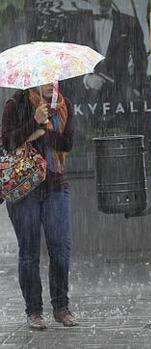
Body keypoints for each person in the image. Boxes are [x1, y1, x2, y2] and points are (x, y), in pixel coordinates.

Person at [1, 83, 77, 330]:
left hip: (56, 185)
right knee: (29, 253)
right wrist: (34, 121)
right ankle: (34, 310)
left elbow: (67, 143)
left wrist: (43, 132)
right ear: (33, 81)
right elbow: (8, 142)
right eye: (45, 79)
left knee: (61, 251)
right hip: (24, 189)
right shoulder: (15, 105)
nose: (50, 84)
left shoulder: (63, 106)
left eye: (53, 78)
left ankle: (61, 307)